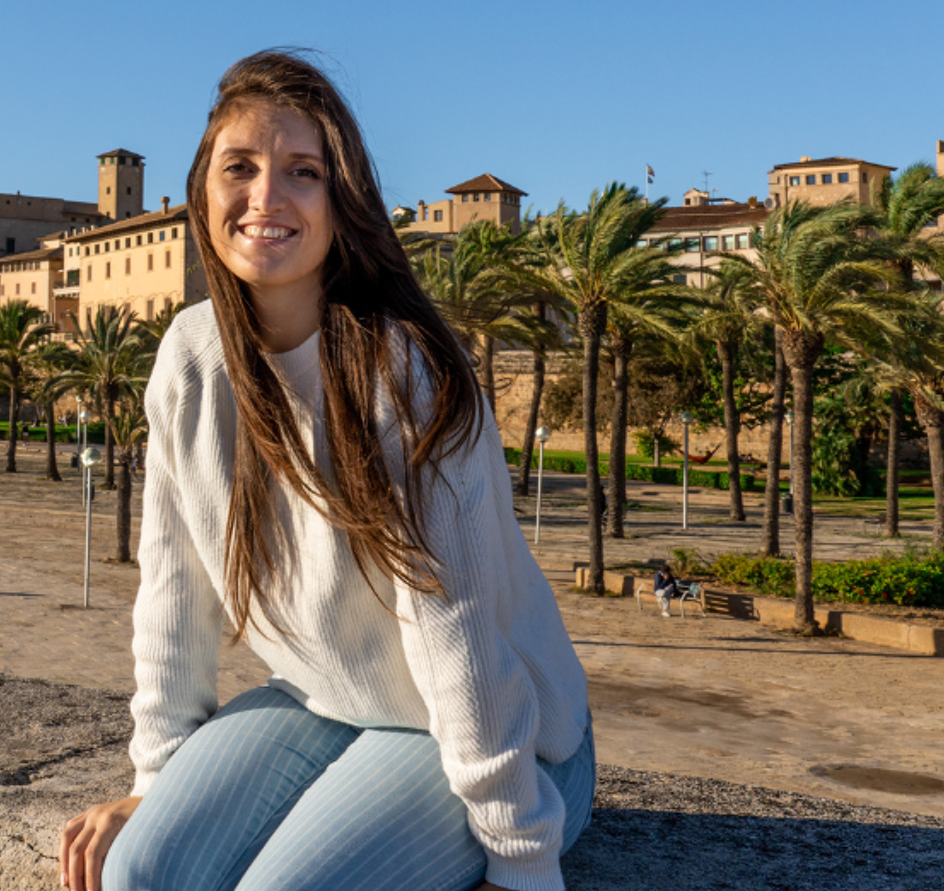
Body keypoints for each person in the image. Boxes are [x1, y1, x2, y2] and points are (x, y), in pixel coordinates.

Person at [58, 51, 592, 891]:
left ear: (342, 203)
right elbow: (175, 592)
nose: (265, 197)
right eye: (241, 167)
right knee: (138, 872)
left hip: (500, 735)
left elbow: (455, 630)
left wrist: (522, 857)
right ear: (203, 190)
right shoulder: (189, 358)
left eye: (301, 172)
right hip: (324, 702)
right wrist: (152, 787)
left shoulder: (404, 372)